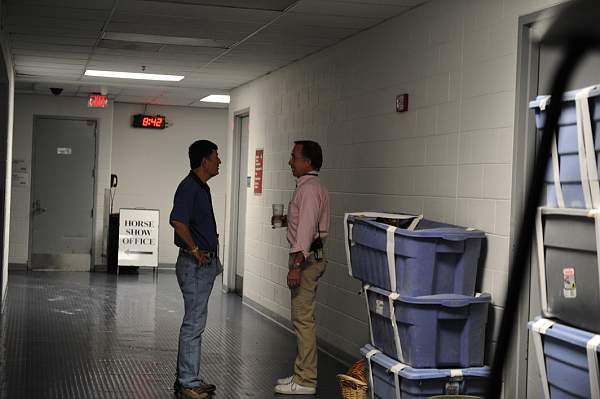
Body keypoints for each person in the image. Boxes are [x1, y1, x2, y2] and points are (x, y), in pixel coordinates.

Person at [274, 140, 330, 396]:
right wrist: (288, 219)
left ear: (307, 162)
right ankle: (300, 373)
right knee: (301, 319)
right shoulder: (311, 187)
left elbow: (307, 231)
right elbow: (308, 223)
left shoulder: (308, 190)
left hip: (305, 263)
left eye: (293, 157)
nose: (290, 162)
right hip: (309, 258)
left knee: (303, 321)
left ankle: (306, 380)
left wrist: (296, 266)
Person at [170, 140, 222, 399]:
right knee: (193, 323)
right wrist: (194, 250)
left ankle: (188, 378)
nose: (219, 162)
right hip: (194, 266)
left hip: (204, 265)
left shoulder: (202, 188)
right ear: (205, 161)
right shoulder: (189, 187)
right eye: (216, 157)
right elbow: (178, 221)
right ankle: (188, 382)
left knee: (196, 322)